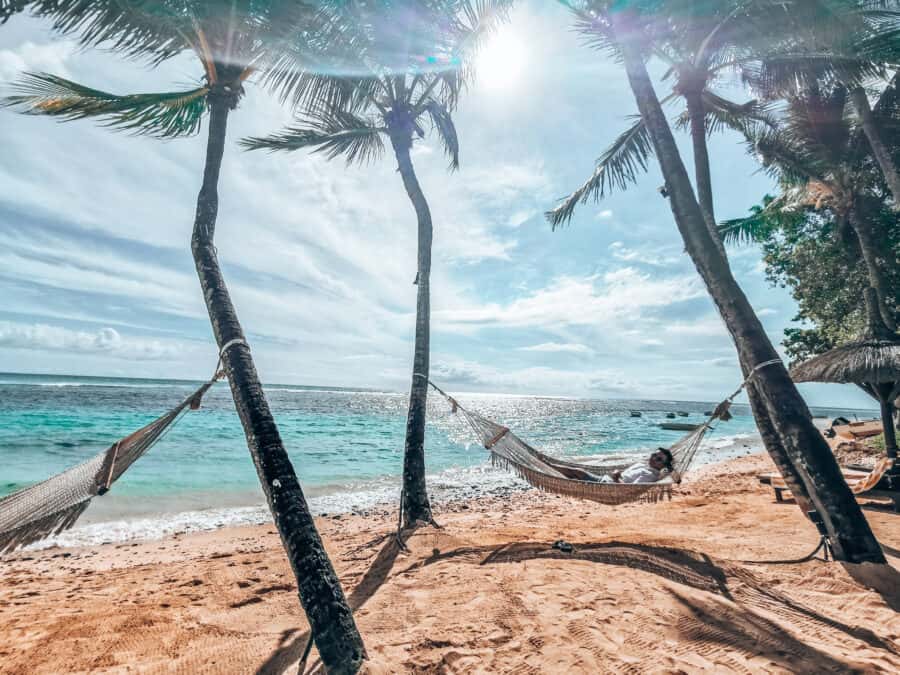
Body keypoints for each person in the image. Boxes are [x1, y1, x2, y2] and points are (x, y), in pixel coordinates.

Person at [599, 448, 673, 484]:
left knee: (586, 475)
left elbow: (629, 490)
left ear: (664, 465)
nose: (653, 458)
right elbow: (625, 476)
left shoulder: (650, 475)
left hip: (608, 484)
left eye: (659, 459)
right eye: (654, 455)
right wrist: (618, 474)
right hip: (605, 479)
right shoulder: (642, 465)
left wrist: (616, 477)